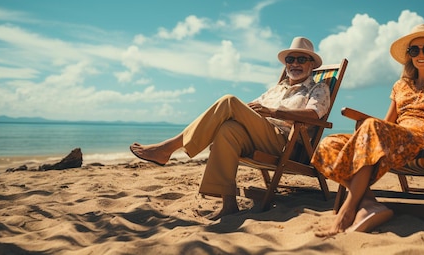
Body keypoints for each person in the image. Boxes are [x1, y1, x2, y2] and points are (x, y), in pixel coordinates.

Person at [130, 37, 331, 220]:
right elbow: (249, 107)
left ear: (311, 64)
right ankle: (229, 205)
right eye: (290, 59)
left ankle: (167, 148)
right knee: (228, 128)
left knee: (229, 100)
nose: (295, 63)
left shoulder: (318, 88)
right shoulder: (278, 88)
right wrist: (246, 111)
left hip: (284, 142)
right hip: (260, 134)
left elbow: (314, 115)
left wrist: (274, 111)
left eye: (301, 59)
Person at [311, 24, 424, 236]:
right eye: (414, 50)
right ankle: (370, 205)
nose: (421, 54)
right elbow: (387, 122)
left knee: (370, 126)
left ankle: (347, 210)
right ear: (409, 55)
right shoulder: (400, 85)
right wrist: (371, 132)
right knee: (329, 144)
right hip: (396, 137)